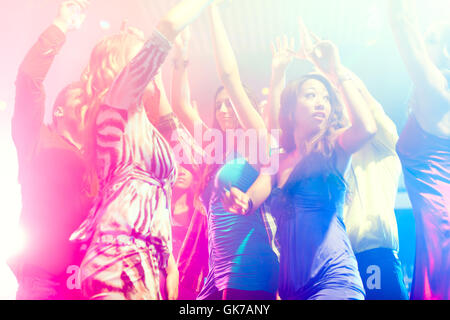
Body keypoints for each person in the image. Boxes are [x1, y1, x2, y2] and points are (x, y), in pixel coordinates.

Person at [69, 0, 215, 300]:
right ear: (124, 68)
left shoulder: (145, 129)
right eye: (144, 62)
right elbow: (167, 29)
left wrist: (170, 263)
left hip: (151, 263)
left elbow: (193, 156)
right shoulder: (114, 107)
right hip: (115, 258)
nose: (152, 68)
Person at [170, 2, 279, 300]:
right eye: (217, 104)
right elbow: (180, 106)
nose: (223, 108)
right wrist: (180, 61)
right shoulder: (215, 149)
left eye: (229, 102)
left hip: (250, 262)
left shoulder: (257, 142)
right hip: (216, 269)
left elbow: (230, 77)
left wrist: (212, 9)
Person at [10, 0, 94, 300]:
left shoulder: (98, 157)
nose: (88, 101)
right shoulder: (37, 138)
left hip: (87, 278)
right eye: (79, 97)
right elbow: (29, 80)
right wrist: (60, 26)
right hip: (42, 279)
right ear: (58, 111)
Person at [389, 0, 450, 300]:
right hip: (435, 225)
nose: (423, 46)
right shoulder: (437, 96)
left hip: (441, 224)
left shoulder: (435, 90)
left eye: (432, 40)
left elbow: (402, 24)